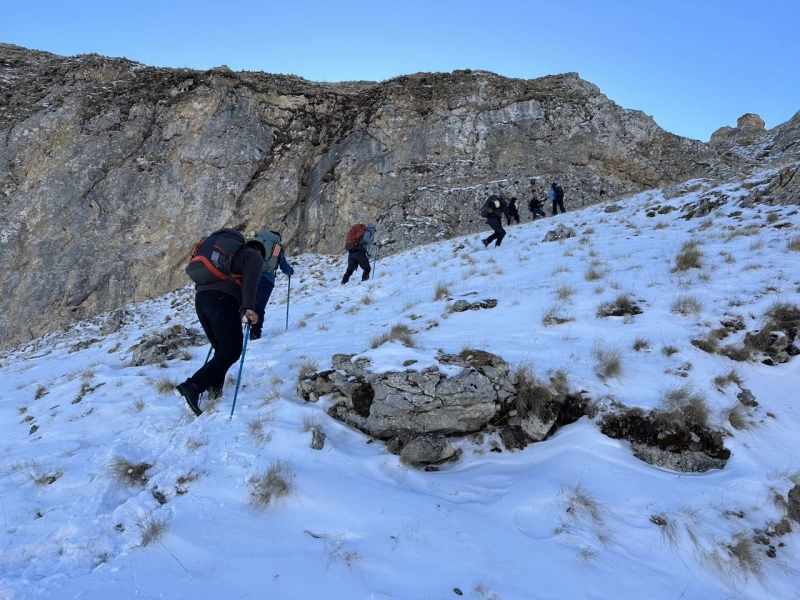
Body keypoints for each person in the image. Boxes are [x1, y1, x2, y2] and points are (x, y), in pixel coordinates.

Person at [175, 235, 265, 416]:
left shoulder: (226, 258)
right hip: (222, 300)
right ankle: (193, 385)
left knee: (222, 349)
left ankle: (215, 391)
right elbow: (250, 282)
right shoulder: (253, 256)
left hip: (202, 300)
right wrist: (249, 307)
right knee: (232, 350)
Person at [250, 230, 294, 340]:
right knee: (259, 307)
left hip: (250, 277)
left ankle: (236, 330)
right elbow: (283, 265)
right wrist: (290, 272)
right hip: (266, 280)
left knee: (246, 303)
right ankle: (255, 333)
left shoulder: (256, 241)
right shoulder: (276, 247)